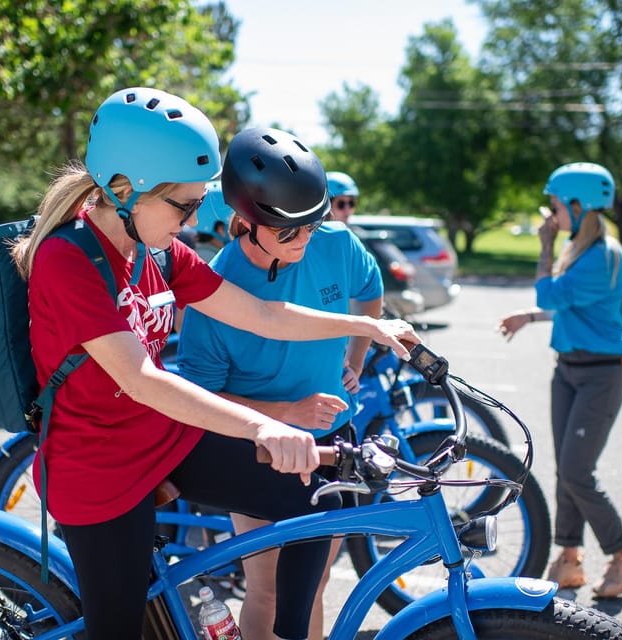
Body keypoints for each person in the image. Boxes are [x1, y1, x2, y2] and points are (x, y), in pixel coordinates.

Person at [11, 87, 419, 640]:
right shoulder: (68, 260)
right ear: (125, 190)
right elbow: (141, 379)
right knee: (120, 629)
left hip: (157, 438)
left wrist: (365, 326)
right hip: (97, 464)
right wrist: (266, 425)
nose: (198, 217)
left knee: (318, 495)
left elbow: (262, 313)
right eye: (185, 203)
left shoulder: (158, 251)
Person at [178, 128, 384, 640]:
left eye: (312, 225)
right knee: (267, 591)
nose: (306, 241)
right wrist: (288, 412)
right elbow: (200, 402)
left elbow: (370, 290)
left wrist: (355, 357)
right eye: (289, 233)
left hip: (334, 440)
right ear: (246, 222)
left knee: (309, 589)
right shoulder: (214, 292)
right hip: (260, 447)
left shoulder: (334, 242)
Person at [496, 162, 622, 599]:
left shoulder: (602, 256)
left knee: (578, 472)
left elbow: (551, 293)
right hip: (569, 370)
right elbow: (566, 306)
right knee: (568, 469)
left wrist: (544, 247)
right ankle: (568, 559)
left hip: (601, 375)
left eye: (556, 206)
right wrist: (530, 317)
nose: (552, 215)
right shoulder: (583, 251)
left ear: (580, 206)